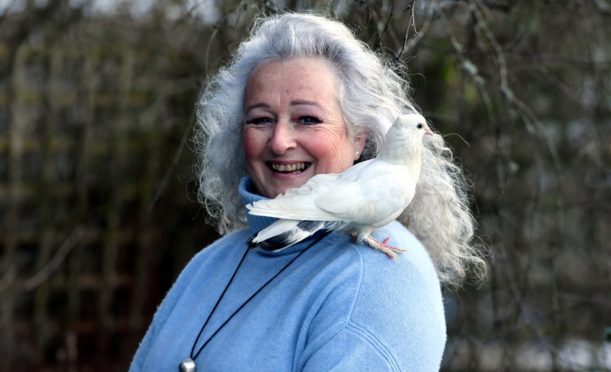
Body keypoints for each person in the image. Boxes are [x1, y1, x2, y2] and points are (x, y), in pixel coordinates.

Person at [130, 12, 485, 372]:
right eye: (261, 119)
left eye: (307, 119)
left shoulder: (379, 284)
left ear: (359, 136)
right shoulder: (208, 266)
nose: (280, 142)